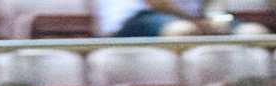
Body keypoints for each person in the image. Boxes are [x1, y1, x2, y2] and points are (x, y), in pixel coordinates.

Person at [99, 0, 235, 36]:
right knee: (183, 31)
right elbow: (156, 3)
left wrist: (214, 19)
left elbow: (213, 7)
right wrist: (196, 21)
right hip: (134, 19)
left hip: (193, 20)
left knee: (250, 32)